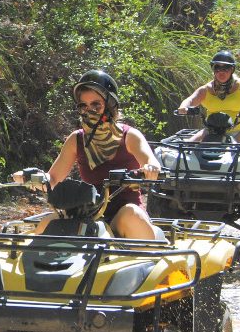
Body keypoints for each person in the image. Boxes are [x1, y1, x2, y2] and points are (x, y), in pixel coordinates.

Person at [14, 69, 162, 240]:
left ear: (110, 105)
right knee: (45, 225)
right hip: (86, 212)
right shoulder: (76, 140)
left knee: (132, 215)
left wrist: (151, 168)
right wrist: (30, 177)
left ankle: (143, 260)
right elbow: (53, 179)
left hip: (123, 212)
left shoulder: (130, 136)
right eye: (83, 105)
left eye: (96, 105)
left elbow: (150, 161)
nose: (89, 110)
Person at [176, 50, 240, 145]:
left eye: (226, 68)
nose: (221, 72)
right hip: (211, 132)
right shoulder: (206, 89)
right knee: (186, 148)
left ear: (232, 69)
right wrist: (183, 107)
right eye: (217, 68)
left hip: (239, 132)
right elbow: (190, 100)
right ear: (213, 69)